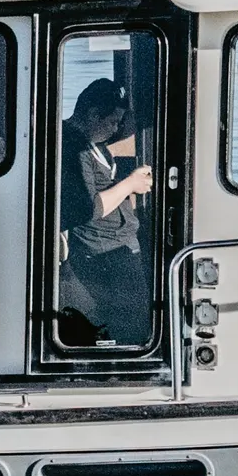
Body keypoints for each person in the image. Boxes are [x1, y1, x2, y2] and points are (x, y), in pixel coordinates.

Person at [59, 76, 155, 347]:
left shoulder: (91, 140)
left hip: (119, 243)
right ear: (92, 115)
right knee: (132, 326)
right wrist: (129, 184)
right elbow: (84, 209)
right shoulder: (72, 147)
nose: (115, 130)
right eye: (112, 121)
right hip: (104, 253)